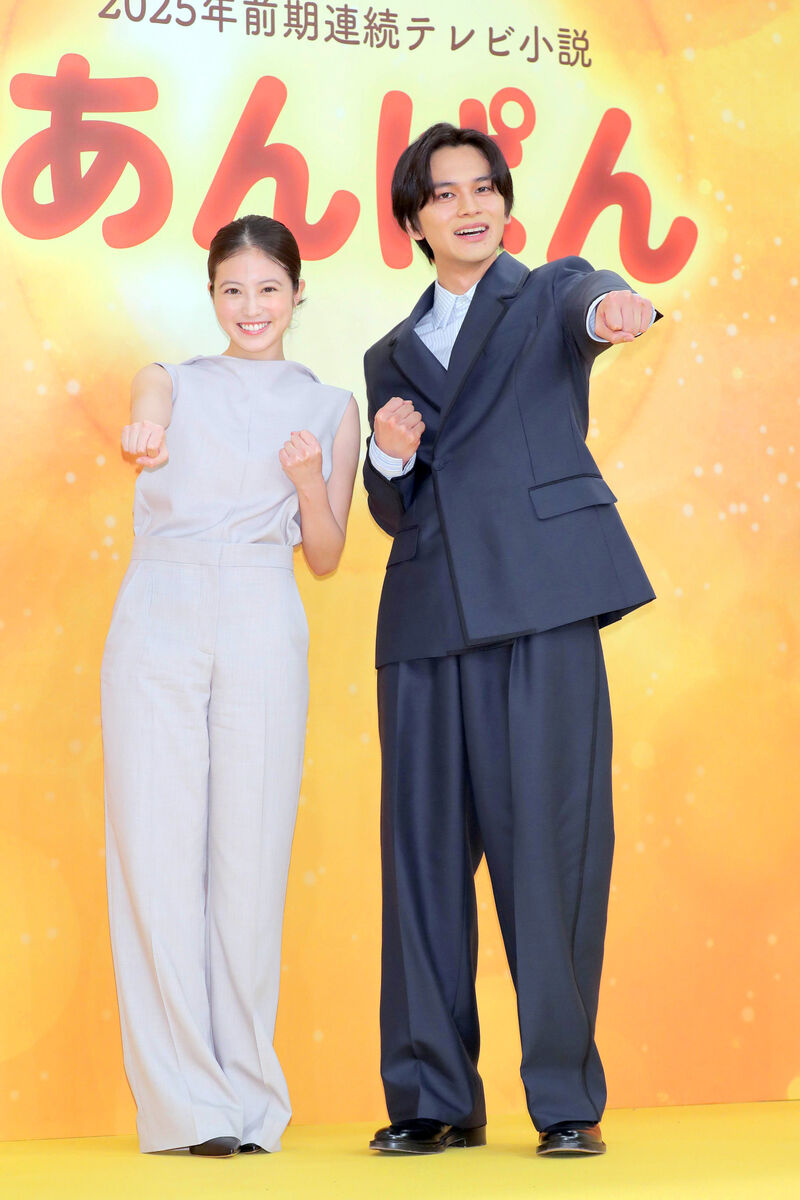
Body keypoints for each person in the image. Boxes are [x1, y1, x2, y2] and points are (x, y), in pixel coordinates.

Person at [362, 124, 657, 1158]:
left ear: (504, 203)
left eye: (483, 188)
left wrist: (619, 311)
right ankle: (432, 1096)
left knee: (554, 849)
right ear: (413, 221)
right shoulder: (387, 355)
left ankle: (564, 1097)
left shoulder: (550, 292)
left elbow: (596, 301)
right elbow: (392, 510)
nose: (469, 206)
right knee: (422, 862)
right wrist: (386, 458)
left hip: (541, 603)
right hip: (425, 621)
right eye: (444, 194)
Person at [101, 215, 360, 1157]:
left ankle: (249, 1098)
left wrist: (306, 484)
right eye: (232, 291)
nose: (251, 308)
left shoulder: (332, 406)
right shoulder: (170, 379)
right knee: (155, 854)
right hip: (160, 607)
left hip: (262, 608)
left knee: (250, 861)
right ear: (211, 295)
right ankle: (185, 1107)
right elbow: (147, 409)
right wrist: (145, 430)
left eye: (268, 289)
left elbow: (325, 554)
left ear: (298, 293)